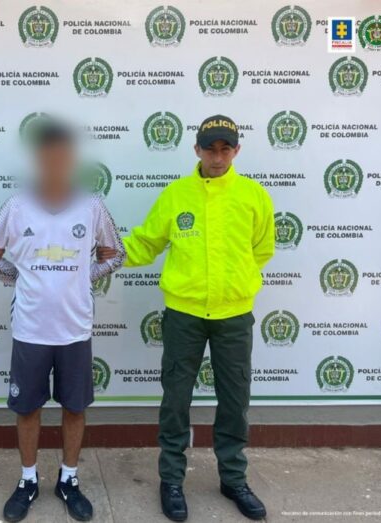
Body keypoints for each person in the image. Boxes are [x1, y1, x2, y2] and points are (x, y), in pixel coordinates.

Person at [118, 115, 275, 521]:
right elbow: (146, 243)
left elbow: (261, 251)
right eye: (210, 148)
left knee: (235, 400)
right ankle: (171, 479)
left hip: (233, 315)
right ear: (197, 150)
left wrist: (234, 283)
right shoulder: (175, 195)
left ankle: (233, 478)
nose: (217, 157)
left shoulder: (254, 196)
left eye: (225, 149)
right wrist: (107, 252)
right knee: (175, 400)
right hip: (184, 314)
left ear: (237, 150)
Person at [0, 120, 125, 522]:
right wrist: (21, 277)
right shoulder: (16, 205)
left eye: (63, 152)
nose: (56, 159)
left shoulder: (92, 205)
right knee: (27, 408)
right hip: (30, 329)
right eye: (48, 153)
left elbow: (116, 254)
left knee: (74, 407)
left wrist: (82, 275)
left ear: (72, 157)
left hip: (75, 329)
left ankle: (69, 479)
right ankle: (28, 480)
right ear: (38, 157)